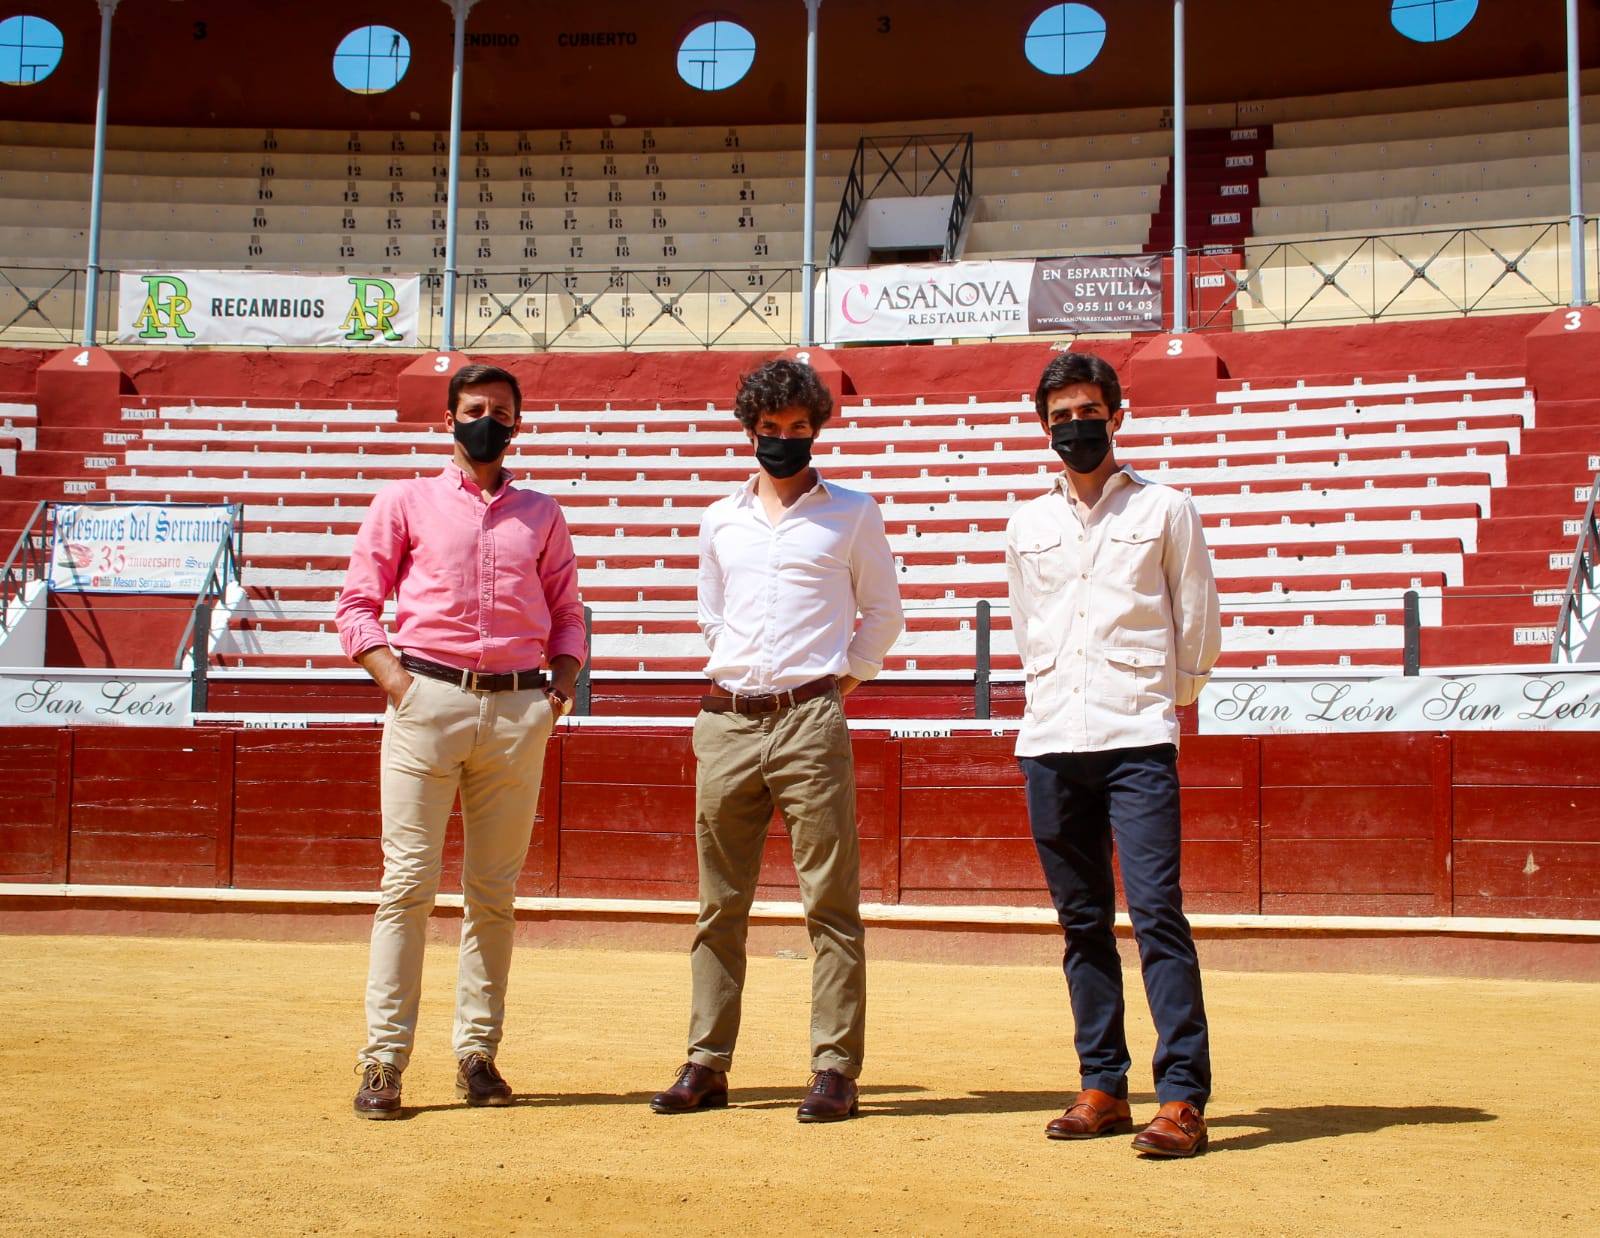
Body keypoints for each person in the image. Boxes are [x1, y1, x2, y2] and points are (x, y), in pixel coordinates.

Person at [650, 358, 904, 1123]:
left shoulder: (851, 512)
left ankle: (835, 1067)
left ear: (815, 430)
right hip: (726, 720)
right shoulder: (719, 518)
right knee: (718, 904)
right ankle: (706, 1062)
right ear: (750, 430)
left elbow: (883, 613)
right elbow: (712, 615)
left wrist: (835, 687)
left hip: (808, 719)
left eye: (797, 428)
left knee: (830, 902)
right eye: (770, 428)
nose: (783, 439)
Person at [335, 361, 585, 1119]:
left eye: (500, 412)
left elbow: (567, 612)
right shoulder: (404, 501)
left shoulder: (541, 513)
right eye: (474, 409)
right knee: (407, 884)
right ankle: (383, 1060)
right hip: (428, 697)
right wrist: (400, 685)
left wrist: (558, 690)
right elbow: (357, 605)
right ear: (448, 419)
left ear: (518, 424)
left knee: (493, 894)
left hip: (517, 709)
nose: (487, 422)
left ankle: (478, 1053)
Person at [1006, 351, 1221, 1157]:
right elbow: (1028, 625)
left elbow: (1197, 620)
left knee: (1158, 913)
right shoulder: (1027, 523)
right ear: (1043, 426)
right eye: (1060, 416)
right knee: (1082, 922)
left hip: (1136, 735)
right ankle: (1103, 1085)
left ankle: (1182, 1097)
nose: (1075, 427)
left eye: (1088, 412)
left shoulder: (1167, 507)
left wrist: (1164, 701)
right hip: (1051, 739)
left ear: (1117, 416)